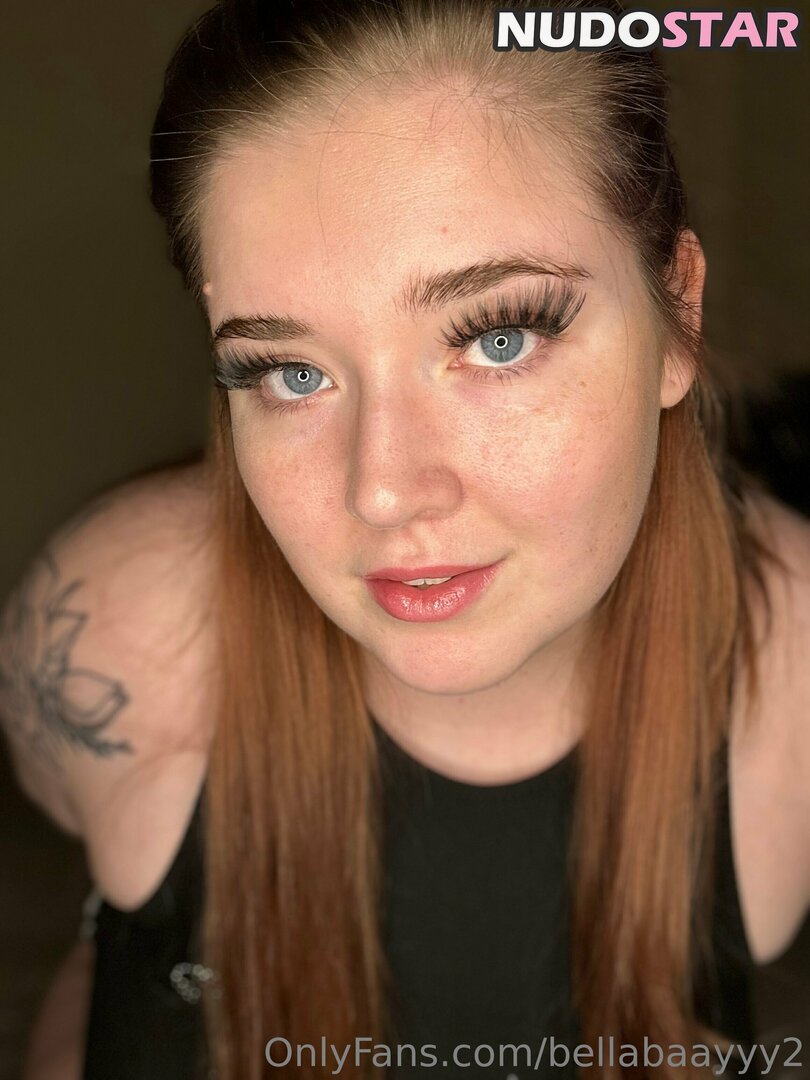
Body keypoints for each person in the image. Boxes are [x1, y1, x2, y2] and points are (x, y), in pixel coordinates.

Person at [2, 0, 809, 1077]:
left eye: (499, 337)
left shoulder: (794, 670)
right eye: (291, 373)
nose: (382, 491)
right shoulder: (113, 630)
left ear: (679, 315)